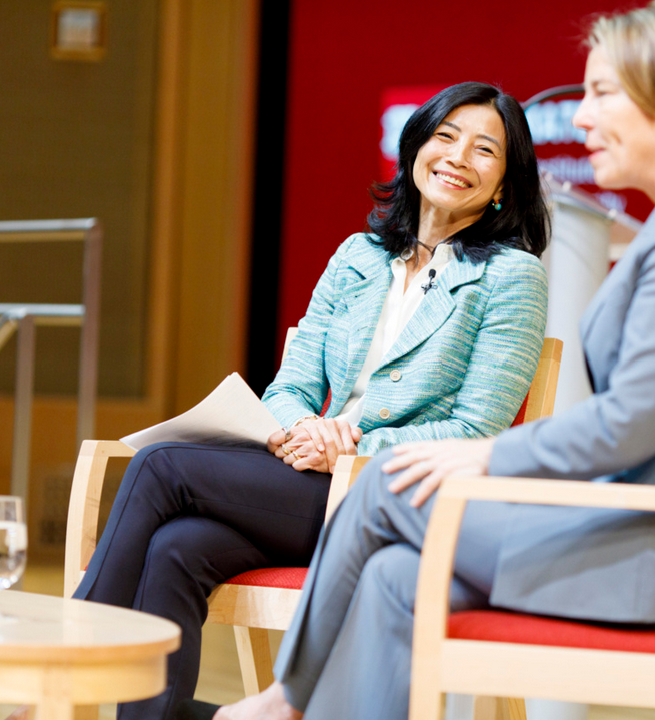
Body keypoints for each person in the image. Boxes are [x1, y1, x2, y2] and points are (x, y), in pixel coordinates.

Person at [218, 2, 655, 718]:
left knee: (385, 490)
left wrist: (486, 458)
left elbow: (631, 426)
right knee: (392, 577)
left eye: (601, 94)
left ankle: (286, 700)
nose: (581, 117)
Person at [70, 81, 550, 720]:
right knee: (177, 546)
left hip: (396, 500)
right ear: (416, 149)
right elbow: (290, 386)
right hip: (307, 481)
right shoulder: (360, 255)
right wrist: (303, 429)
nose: (458, 156)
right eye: (444, 137)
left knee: (162, 466)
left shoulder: (511, 276)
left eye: (484, 150)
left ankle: (63, 681)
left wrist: (348, 444)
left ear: (504, 185)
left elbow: (474, 431)